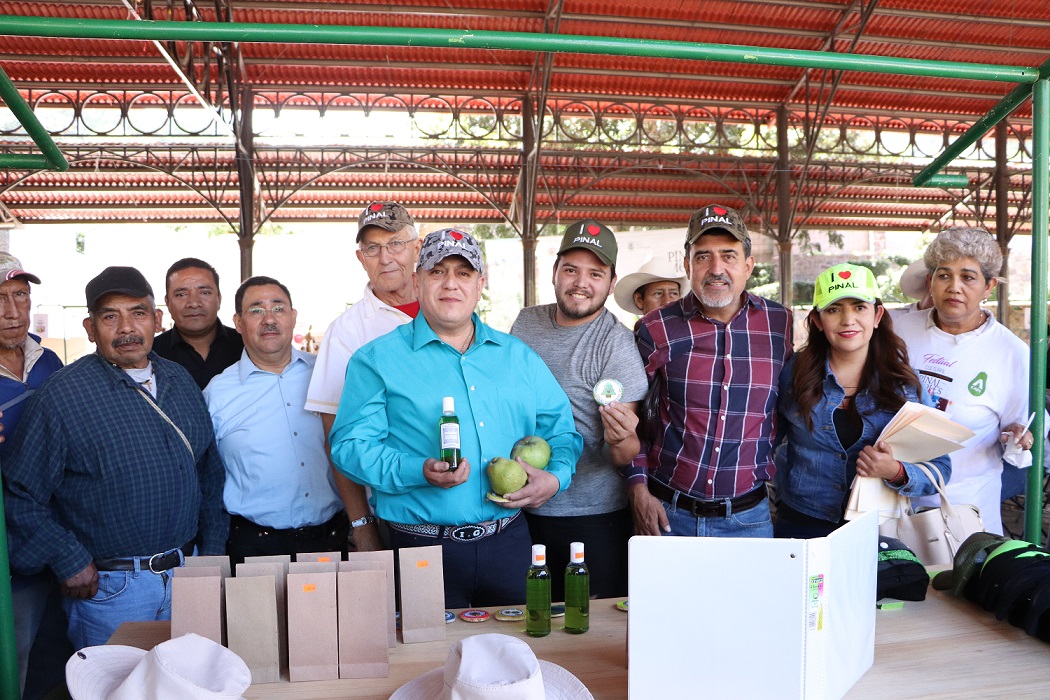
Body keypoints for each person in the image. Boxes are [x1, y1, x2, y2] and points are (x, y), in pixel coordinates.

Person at [329, 228, 582, 609]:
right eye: (437, 271)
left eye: (463, 273)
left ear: (481, 283)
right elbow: (349, 448)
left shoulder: (518, 357)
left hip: (509, 542)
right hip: (419, 547)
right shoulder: (376, 360)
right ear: (417, 280)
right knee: (423, 663)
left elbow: (560, 430)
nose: (451, 284)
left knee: (519, 656)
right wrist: (418, 470)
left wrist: (556, 476)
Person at [2, 266, 228, 649]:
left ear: (157, 320)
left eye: (138, 313)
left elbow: (209, 472)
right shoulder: (63, 396)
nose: (126, 328)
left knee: (185, 684)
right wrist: (68, 558)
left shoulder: (179, 380)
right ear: (90, 329)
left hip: (186, 577)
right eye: (110, 317)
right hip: (111, 589)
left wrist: (211, 555)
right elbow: (19, 493)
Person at [627, 204, 792, 538]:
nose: (716, 268)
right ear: (688, 266)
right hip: (669, 516)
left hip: (750, 519)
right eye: (703, 256)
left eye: (729, 255)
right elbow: (630, 419)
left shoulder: (780, 323)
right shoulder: (655, 327)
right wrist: (637, 491)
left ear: (748, 266)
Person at [510, 219, 647, 599]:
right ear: (555, 272)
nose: (580, 282)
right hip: (519, 510)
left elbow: (620, 455)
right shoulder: (525, 324)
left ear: (611, 282)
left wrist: (624, 438)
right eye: (571, 269)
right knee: (528, 626)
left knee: (585, 631)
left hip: (591, 517)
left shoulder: (616, 345)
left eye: (595, 273)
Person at [774, 263, 951, 538]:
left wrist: (896, 471)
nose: (847, 320)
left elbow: (940, 469)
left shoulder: (904, 385)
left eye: (859, 307)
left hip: (876, 529)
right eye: (834, 309)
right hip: (801, 523)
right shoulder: (794, 373)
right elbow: (765, 442)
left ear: (877, 315)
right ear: (818, 321)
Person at [895, 227, 1036, 535]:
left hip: (965, 512)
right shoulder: (898, 332)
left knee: (961, 583)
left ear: (989, 287)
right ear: (930, 281)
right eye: (943, 275)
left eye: (968, 277)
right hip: (890, 501)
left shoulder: (1012, 353)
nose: (954, 287)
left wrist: (1017, 436)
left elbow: (1024, 430)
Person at [204, 276, 347, 565]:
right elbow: (205, 478)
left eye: (278, 308)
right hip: (254, 548)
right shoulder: (216, 393)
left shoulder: (327, 376)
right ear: (239, 322)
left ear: (293, 318)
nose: (269, 319)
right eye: (256, 310)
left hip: (332, 540)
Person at [306, 201, 422, 552]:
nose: (385, 257)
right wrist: (361, 524)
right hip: (392, 511)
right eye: (373, 248)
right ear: (361, 257)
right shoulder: (347, 332)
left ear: (417, 247)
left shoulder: (450, 308)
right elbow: (335, 439)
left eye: (395, 244)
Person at [0, 253, 70, 697]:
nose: (12, 311)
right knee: (14, 658)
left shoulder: (50, 363)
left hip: (60, 542)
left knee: (59, 659)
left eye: (20, 296)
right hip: (8, 553)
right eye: (0, 299)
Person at [153, 257, 243, 390]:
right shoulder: (152, 354)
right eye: (181, 294)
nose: (194, 303)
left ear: (219, 298)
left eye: (204, 292)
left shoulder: (246, 346)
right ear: (167, 302)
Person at [613, 256, 686, 317]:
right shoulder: (628, 334)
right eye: (658, 293)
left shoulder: (691, 332)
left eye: (673, 293)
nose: (667, 301)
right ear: (639, 300)